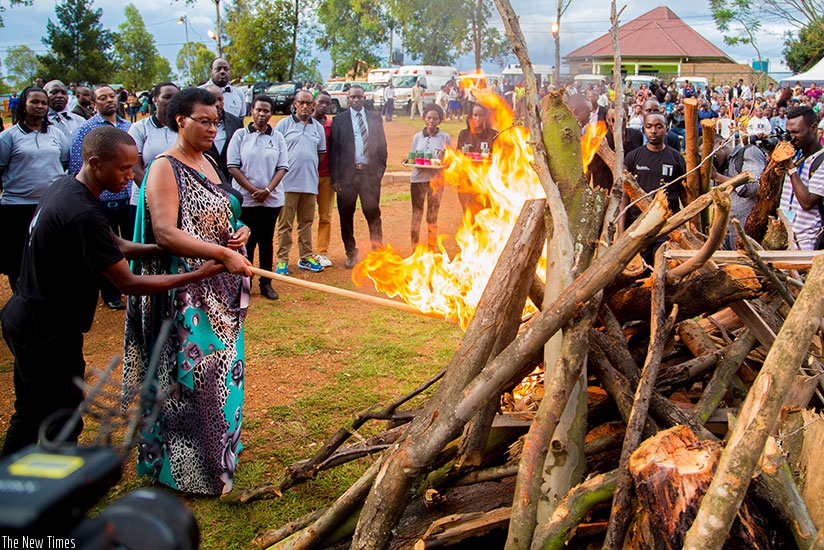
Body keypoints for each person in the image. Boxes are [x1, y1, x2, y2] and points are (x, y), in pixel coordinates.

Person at [0, 126, 225, 457]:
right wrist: (197, 274)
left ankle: (12, 484)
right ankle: (59, 494)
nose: (130, 175)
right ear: (95, 163)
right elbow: (128, 283)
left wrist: (162, 248)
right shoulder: (82, 212)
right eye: (122, 168)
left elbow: (114, 245)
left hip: (25, 317)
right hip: (45, 332)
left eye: (133, 166)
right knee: (60, 420)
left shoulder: (66, 189)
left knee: (31, 412)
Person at [123, 87, 253, 496]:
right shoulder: (165, 167)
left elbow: (223, 213)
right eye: (205, 121)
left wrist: (239, 233)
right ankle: (185, 468)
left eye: (217, 120)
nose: (214, 128)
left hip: (221, 287)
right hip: (186, 296)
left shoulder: (210, 162)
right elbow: (164, 233)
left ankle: (219, 452)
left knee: (223, 375)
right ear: (180, 120)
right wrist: (219, 252)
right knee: (193, 379)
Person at [68, 85, 133, 310]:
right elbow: (78, 165)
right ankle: (111, 293)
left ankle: (133, 285)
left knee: (127, 240)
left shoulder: (128, 126)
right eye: (102, 98)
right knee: (105, 247)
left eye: (111, 96)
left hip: (127, 197)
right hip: (102, 200)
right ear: (94, 104)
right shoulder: (87, 129)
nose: (109, 101)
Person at [0, 86, 70, 291]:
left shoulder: (56, 133)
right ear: (23, 105)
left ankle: (47, 300)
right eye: (34, 102)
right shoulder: (9, 137)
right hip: (17, 208)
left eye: (43, 103)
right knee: (17, 260)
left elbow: (63, 163)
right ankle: (21, 300)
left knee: (50, 254)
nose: (39, 106)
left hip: (50, 206)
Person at [228, 94, 289, 300]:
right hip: (246, 199)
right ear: (251, 111)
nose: (262, 114)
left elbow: (282, 167)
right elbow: (233, 167)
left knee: (266, 241)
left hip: (271, 200)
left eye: (266, 111)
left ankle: (266, 283)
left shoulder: (277, 137)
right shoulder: (239, 135)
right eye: (258, 110)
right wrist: (253, 190)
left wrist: (267, 191)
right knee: (247, 243)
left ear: (271, 113)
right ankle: (245, 283)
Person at [329, 84, 388, 268]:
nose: (356, 100)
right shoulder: (339, 120)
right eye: (352, 97)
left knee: (372, 212)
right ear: (348, 98)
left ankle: (377, 252)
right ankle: (351, 253)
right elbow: (334, 151)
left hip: (369, 174)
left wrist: (378, 172)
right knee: (346, 215)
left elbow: (382, 148)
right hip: (347, 176)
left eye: (359, 97)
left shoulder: (374, 118)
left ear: (364, 98)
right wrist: (335, 178)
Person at [622, 112, 687, 263]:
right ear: (643, 129)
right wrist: (621, 231)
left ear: (666, 129)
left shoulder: (676, 158)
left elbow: (684, 194)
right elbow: (624, 196)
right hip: (638, 225)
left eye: (659, 126)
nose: (653, 131)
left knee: (663, 267)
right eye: (649, 126)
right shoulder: (633, 157)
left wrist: (688, 226)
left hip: (667, 226)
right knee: (639, 271)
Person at [274, 90, 326, 275]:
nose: (305, 106)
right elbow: (275, 154)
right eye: (301, 102)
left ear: (313, 105)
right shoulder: (283, 126)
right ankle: (282, 261)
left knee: (306, 222)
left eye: (308, 103)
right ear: (294, 104)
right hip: (287, 184)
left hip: (309, 183)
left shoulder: (318, 128)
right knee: (285, 224)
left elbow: (320, 154)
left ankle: (305, 258)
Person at [128, 82, 180, 221]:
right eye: (167, 97)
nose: (171, 101)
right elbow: (135, 169)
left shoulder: (184, 127)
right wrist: (156, 196)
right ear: (155, 100)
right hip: (145, 200)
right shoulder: (140, 129)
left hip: (180, 202)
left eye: (175, 97)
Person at [778, 106, 824, 250]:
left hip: (805, 243)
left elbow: (807, 202)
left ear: (813, 128)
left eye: (796, 132)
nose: (792, 138)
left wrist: (791, 169)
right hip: (782, 237)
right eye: (789, 133)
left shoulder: (822, 161)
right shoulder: (795, 154)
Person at [712, 137, 767, 249]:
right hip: (725, 233)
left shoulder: (748, 152)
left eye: (713, 156)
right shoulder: (720, 167)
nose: (712, 161)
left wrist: (718, 177)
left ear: (720, 144)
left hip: (747, 234)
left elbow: (753, 187)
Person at [409, 103, 450, 248]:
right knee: (417, 213)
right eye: (429, 117)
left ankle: (431, 247)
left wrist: (444, 163)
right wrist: (407, 160)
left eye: (435, 118)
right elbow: (413, 157)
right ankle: (414, 247)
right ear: (424, 118)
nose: (432, 121)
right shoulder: (417, 137)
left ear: (440, 120)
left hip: (436, 181)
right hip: (418, 179)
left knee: (432, 216)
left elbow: (448, 158)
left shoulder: (444, 137)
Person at [456, 103, 498, 219]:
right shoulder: (464, 134)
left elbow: (500, 158)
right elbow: (457, 154)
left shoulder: (493, 135)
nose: (478, 119)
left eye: (481, 115)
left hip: (485, 179)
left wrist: (491, 156)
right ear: (470, 116)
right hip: (466, 179)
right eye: (475, 115)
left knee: (485, 212)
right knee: (468, 211)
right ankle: (470, 234)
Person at [203, 84, 244, 184]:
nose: (217, 104)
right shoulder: (197, 124)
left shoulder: (236, 123)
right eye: (213, 100)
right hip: (206, 179)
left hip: (231, 181)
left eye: (220, 99)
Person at [313, 92, 335, 267]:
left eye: (327, 104)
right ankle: (303, 252)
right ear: (314, 103)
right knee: (303, 219)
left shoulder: (331, 125)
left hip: (326, 176)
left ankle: (322, 252)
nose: (324, 106)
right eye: (321, 102)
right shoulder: (306, 124)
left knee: (325, 216)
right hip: (305, 178)